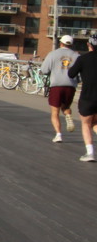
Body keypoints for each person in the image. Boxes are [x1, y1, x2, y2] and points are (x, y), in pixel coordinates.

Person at [41, 35, 80, 143]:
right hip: (71, 85)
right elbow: (80, 74)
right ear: (71, 44)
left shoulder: (53, 54)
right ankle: (68, 115)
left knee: (55, 111)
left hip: (56, 85)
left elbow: (44, 70)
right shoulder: (77, 56)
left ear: (60, 43)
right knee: (65, 106)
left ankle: (58, 134)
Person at [68, 34, 97, 162]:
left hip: (87, 97)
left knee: (86, 123)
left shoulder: (83, 59)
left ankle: (90, 153)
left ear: (89, 45)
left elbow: (71, 74)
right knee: (95, 123)